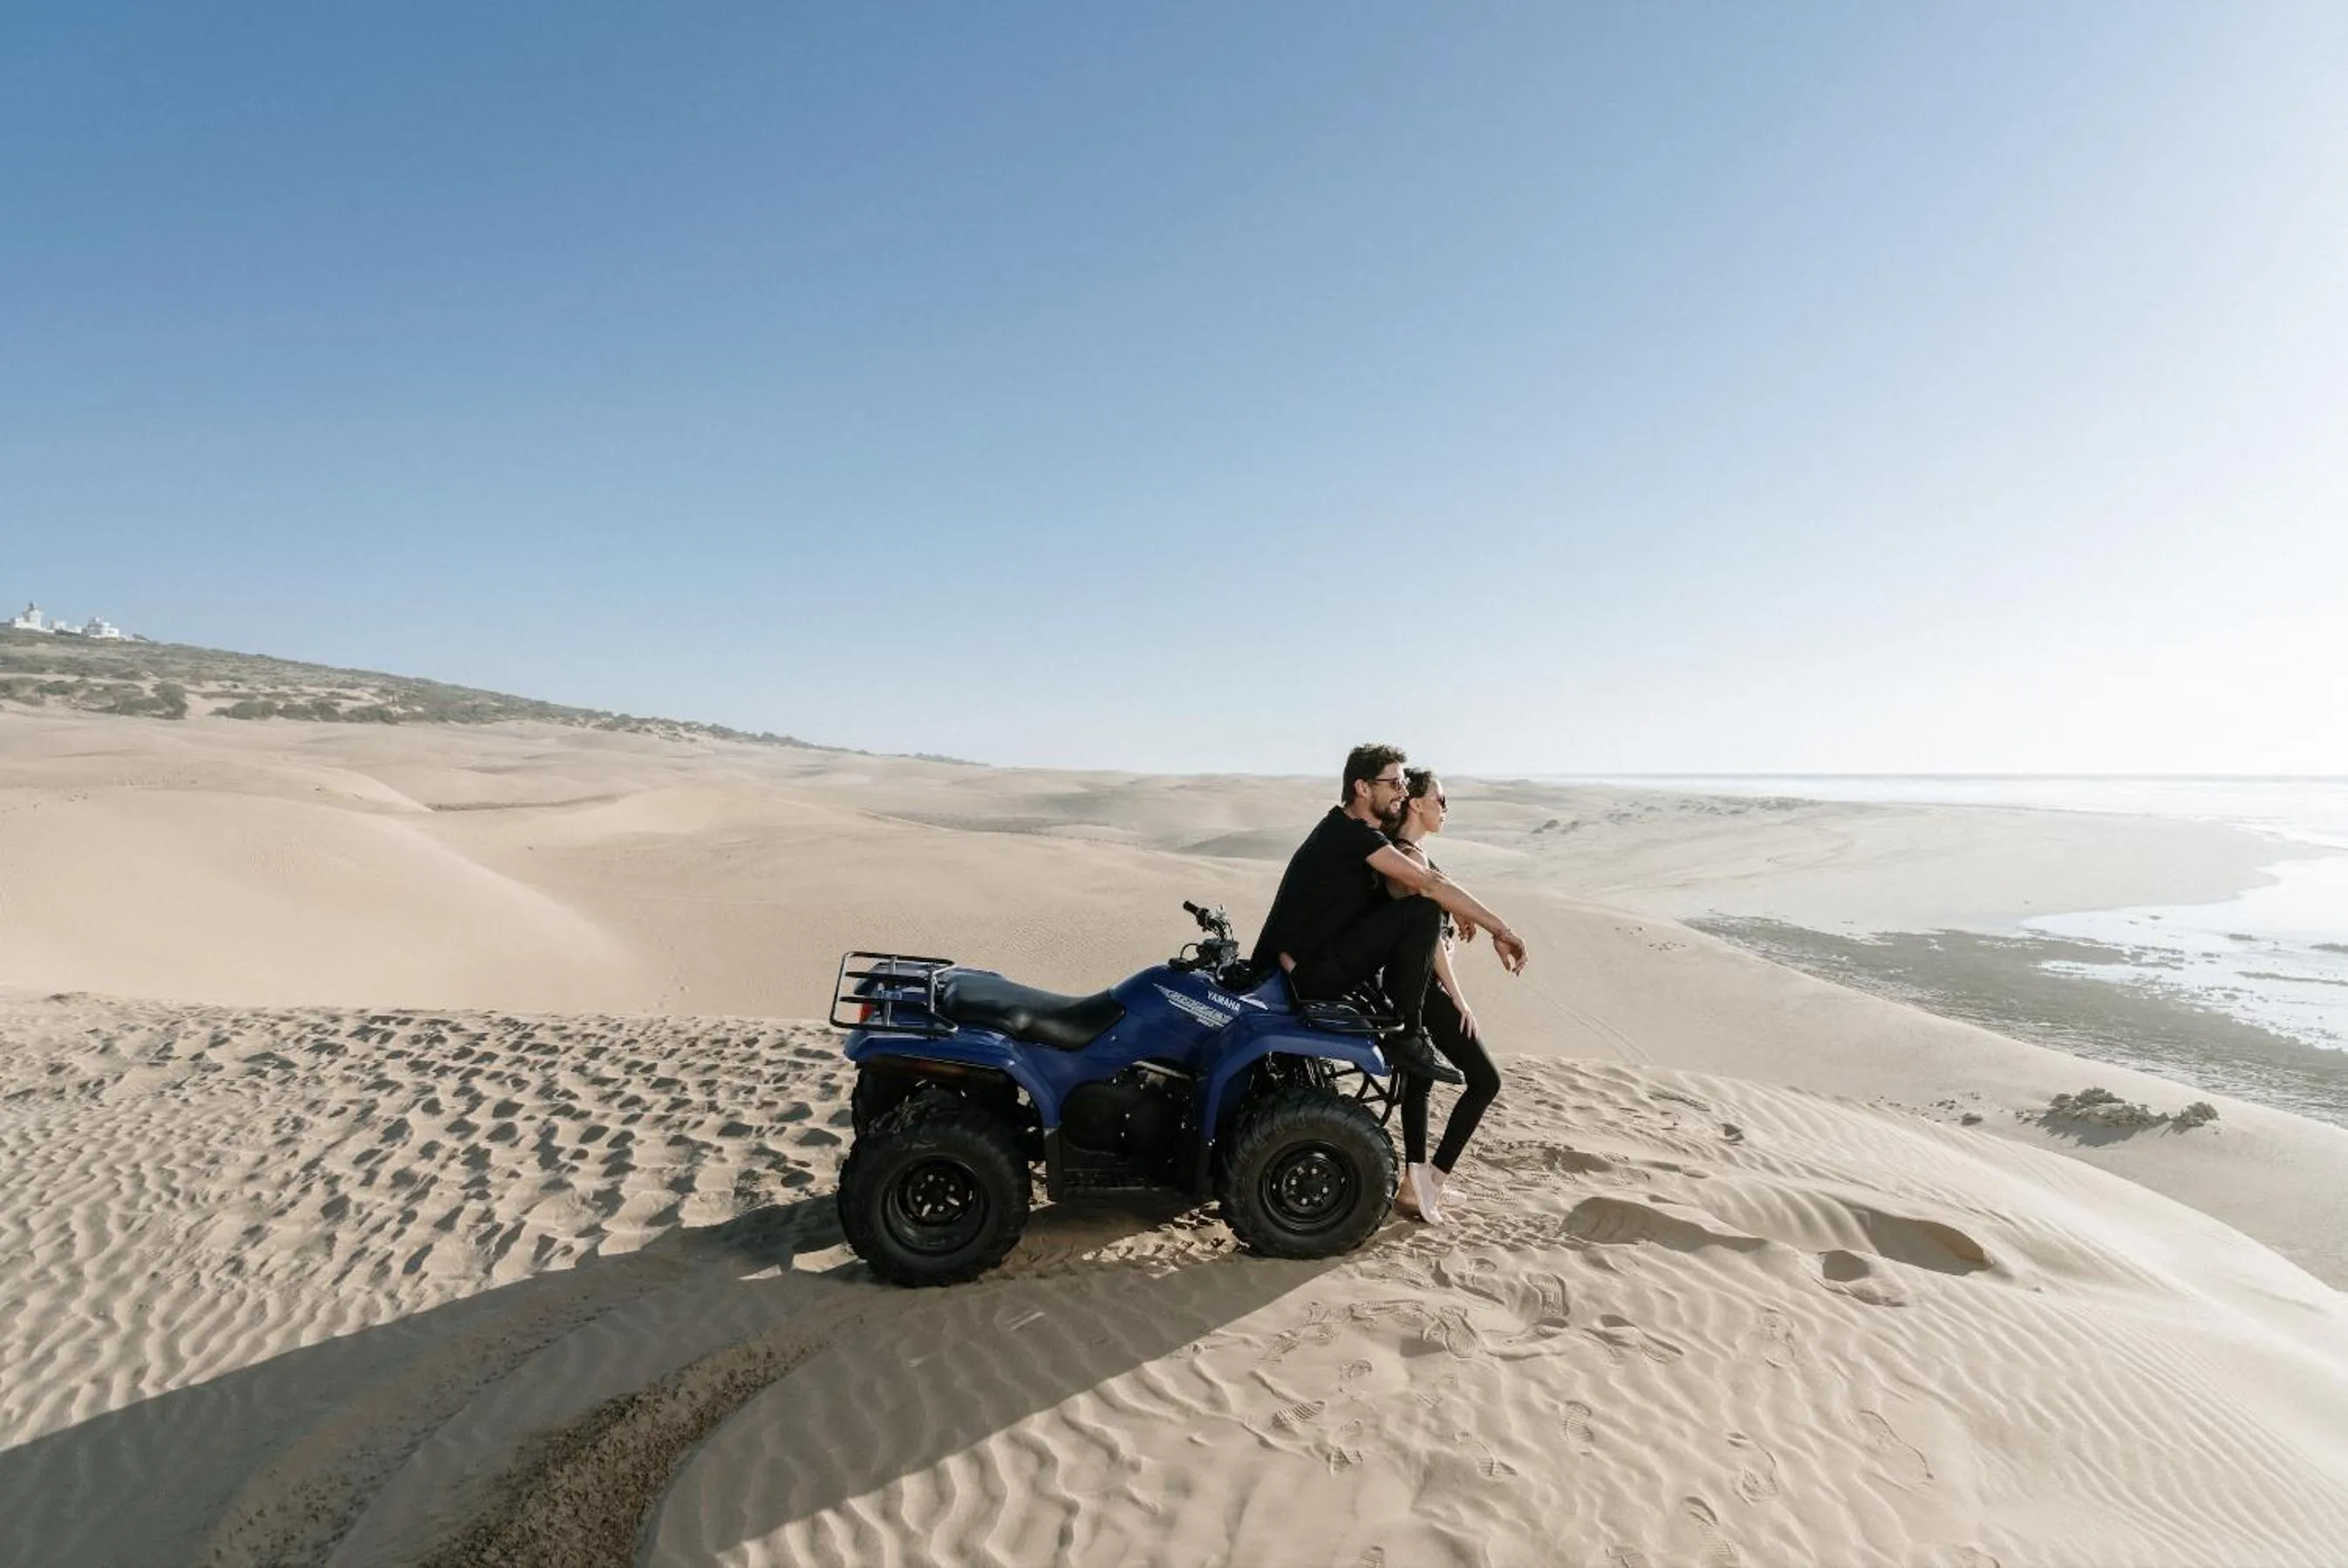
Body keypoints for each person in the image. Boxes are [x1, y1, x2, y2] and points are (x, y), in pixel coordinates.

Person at [1252, 744, 1528, 1090]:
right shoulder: (1350, 833)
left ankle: (1407, 1032)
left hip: (1316, 965)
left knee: (1420, 907)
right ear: (1363, 788)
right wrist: (1500, 930)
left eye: (1404, 784)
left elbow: (1421, 868)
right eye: (1395, 784)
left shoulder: (1350, 832)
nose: (1403, 791)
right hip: (1310, 975)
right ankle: (1408, 1036)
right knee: (1422, 911)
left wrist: (1457, 907)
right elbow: (1427, 883)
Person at [1381, 767, 1505, 1225]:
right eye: (1441, 799)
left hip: (1415, 987)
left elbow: (1438, 898)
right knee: (1485, 1080)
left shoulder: (1411, 856)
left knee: (1420, 1080)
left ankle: (1417, 1185)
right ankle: (1433, 1178)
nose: (1446, 808)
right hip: (1424, 988)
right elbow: (1427, 942)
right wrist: (1458, 997)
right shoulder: (1404, 861)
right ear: (1416, 803)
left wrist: (1454, 909)